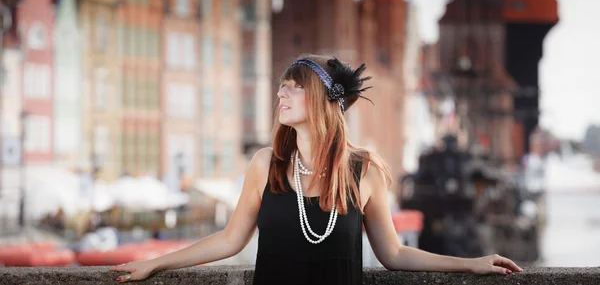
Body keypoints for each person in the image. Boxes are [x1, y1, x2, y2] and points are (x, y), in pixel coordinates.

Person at [110, 55, 523, 284]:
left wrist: (471, 263)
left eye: (293, 87)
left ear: (324, 101)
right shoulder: (265, 165)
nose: (280, 93)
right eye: (281, 86)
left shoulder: (364, 171)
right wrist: (155, 263)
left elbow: (394, 255)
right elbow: (229, 240)